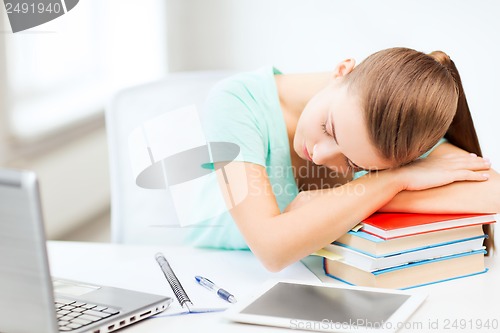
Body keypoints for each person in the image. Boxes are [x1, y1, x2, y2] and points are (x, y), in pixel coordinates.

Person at [187, 47, 500, 272]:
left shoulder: (394, 132)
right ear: (341, 71)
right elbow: (272, 249)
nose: (321, 154)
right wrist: (394, 180)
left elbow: (493, 193)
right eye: (329, 128)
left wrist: (325, 199)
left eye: (355, 165)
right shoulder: (236, 104)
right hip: (211, 267)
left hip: (319, 277)